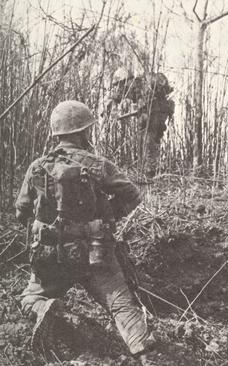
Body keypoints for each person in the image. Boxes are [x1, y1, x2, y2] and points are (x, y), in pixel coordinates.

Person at [15, 100, 163, 365]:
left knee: (31, 297)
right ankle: (144, 352)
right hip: (95, 252)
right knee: (120, 304)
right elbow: (132, 196)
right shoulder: (98, 165)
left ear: (57, 133)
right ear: (83, 132)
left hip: (51, 254)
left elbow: (21, 211)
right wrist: (106, 217)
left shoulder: (37, 166)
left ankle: (43, 307)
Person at [105, 67, 174, 178]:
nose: (119, 87)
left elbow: (116, 97)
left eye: (119, 84)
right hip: (160, 117)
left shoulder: (132, 84)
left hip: (148, 117)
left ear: (123, 80)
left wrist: (112, 110)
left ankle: (148, 174)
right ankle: (152, 171)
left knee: (146, 143)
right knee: (152, 143)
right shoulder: (143, 83)